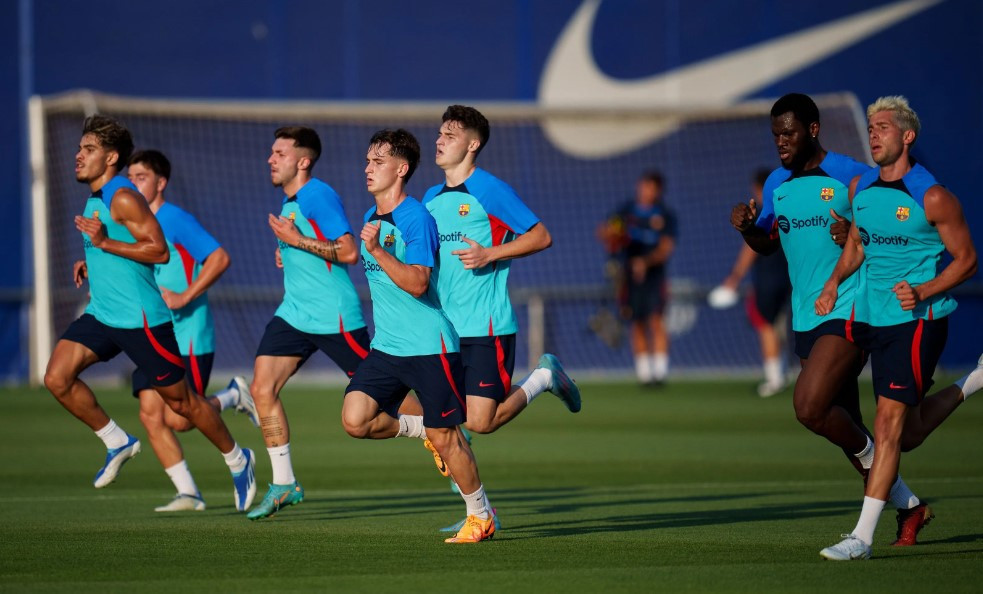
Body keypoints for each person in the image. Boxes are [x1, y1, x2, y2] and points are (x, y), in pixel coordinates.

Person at [43, 115, 255, 512]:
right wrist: (92, 260)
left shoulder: (123, 196)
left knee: (183, 407)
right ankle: (116, 441)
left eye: (88, 150)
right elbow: (117, 245)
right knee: (56, 377)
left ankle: (238, 459)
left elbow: (159, 250)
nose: (78, 155)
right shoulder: (96, 195)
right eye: (79, 148)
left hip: (142, 321)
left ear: (110, 158)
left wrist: (104, 244)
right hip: (104, 315)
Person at [730, 93, 924, 527]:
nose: (781, 142)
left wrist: (855, 234)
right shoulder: (776, 184)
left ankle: (878, 461)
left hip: (850, 307)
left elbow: (893, 228)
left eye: (789, 133)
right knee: (842, 422)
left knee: (808, 406)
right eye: (776, 134)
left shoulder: (852, 176)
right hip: (806, 316)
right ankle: (909, 507)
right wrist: (747, 229)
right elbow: (767, 245)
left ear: (813, 130)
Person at [816, 96, 981, 560]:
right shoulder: (860, 188)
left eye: (883, 127)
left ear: (907, 137)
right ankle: (977, 379)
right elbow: (856, 245)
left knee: (887, 426)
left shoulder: (932, 196)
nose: (873, 134)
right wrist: (832, 283)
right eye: (870, 127)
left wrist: (924, 290)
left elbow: (967, 261)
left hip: (917, 322)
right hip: (874, 319)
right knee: (904, 434)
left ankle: (861, 539)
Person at [341, 128, 495, 543]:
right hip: (388, 347)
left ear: (401, 168)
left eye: (378, 161)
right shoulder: (372, 219)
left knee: (449, 438)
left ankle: (480, 515)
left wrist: (377, 251)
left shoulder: (415, 218)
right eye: (367, 160)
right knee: (355, 420)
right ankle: (421, 429)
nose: (368, 168)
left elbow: (417, 283)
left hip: (430, 346)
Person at [246, 126, 372, 520]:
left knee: (387, 394)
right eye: (271, 152)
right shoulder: (289, 204)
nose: (271, 159)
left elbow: (349, 251)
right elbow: (311, 245)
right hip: (295, 313)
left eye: (280, 153)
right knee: (261, 388)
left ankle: (443, 435)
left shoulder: (317, 193)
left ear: (303, 161)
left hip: (333, 316)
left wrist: (296, 242)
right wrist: (290, 252)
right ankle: (285, 483)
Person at [127, 149, 259, 512]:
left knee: (179, 419)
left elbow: (219, 258)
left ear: (161, 182)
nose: (134, 183)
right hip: (150, 333)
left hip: (188, 334)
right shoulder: (129, 222)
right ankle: (188, 492)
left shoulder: (175, 219)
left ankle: (232, 396)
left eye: (141, 176)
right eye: (131, 176)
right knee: (150, 416)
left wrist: (186, 295)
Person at [712, 169, 791, 397]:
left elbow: (750, 250)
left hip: (767, 277)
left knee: (765, 325)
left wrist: (735, 277)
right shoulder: (786, 207)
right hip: (787, 276)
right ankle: (781, 372)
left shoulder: (760, 211)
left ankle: (774, 378)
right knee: (778, 325)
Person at [598, 171, 677, 386]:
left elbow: (666, 248)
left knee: (656, 321)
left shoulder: (665, 215)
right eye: (643, 186)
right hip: (629, 277)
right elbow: (605, 233)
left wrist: (645, 262)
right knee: (636, 322)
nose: (646, 191)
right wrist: (611, 234)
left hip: (654, 277)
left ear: (658, 190)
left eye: (651, 187)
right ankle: (644, 375)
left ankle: (659, 374)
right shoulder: (625, 211)